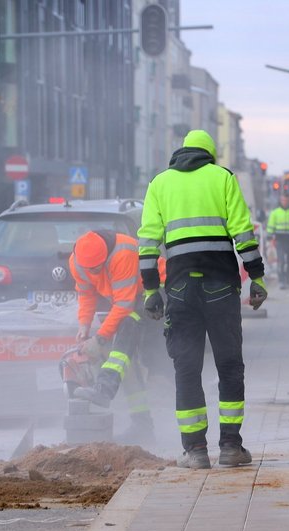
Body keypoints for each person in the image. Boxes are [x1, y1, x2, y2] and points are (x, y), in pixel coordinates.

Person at [138, 129, 267, 469]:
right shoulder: (223, 178)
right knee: (228, 365)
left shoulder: (159, 184)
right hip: (221, 287)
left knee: (187, 367)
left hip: (179, 289)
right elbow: (243, 231)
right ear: (210, 154)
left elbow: (148, 242)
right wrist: (257, 277)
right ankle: (230, 448)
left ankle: (195, 452)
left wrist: (151, 290)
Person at [69, 230, 155, 441]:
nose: (94, 273)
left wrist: (99, 339)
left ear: (105, 256)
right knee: (127, 360)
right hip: (130, 300)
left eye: (98, 268)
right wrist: (84, 326)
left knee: (126, 328)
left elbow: (125, 305)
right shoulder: (77, 262)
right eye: (90, 269)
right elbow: (86, 293)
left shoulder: (122, 253)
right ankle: (143, 426)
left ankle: (104, 390)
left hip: (155, 293)